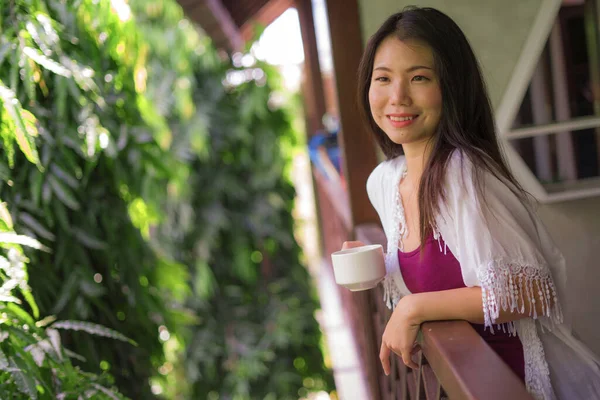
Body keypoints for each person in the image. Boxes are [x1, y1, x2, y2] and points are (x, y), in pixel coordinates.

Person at [341, 7, 600, 399]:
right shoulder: (386, 180)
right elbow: (440, 266)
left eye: (420, 78)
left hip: (515, 385)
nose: (398, 97)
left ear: (452, 87)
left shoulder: (464, 173)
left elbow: (532, 291)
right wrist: (381, 261)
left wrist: (413, 309)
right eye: (383, 79)